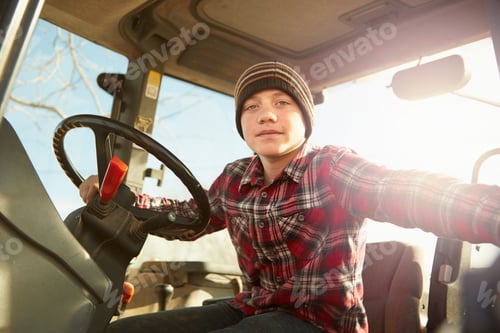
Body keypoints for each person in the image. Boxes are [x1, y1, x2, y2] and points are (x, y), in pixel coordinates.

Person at [80, 61, 500, 333]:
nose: (266, 114)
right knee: (123, 331)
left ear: (305, 120)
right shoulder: (234, 178)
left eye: (282, 103)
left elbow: (412, 192)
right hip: (253, 309)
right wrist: (122, 199)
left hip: (321, 323)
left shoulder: (332, 168)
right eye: (252, 107)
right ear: (242, 124)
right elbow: (189, 217)